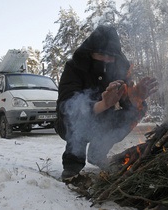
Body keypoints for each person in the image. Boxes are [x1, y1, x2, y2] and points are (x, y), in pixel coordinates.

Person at [55, 25, 158, 180]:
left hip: (103, 121)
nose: (106, 60)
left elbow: (126, 105)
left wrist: (135, 97)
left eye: (111, 57)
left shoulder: (120, 70)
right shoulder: (74, 68)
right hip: (71, 122)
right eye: (101, 54)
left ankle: (98, 152)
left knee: (140, 107)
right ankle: (73, 162)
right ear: (90, 52)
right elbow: (66, 105)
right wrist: (102, 104)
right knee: (76, 110)